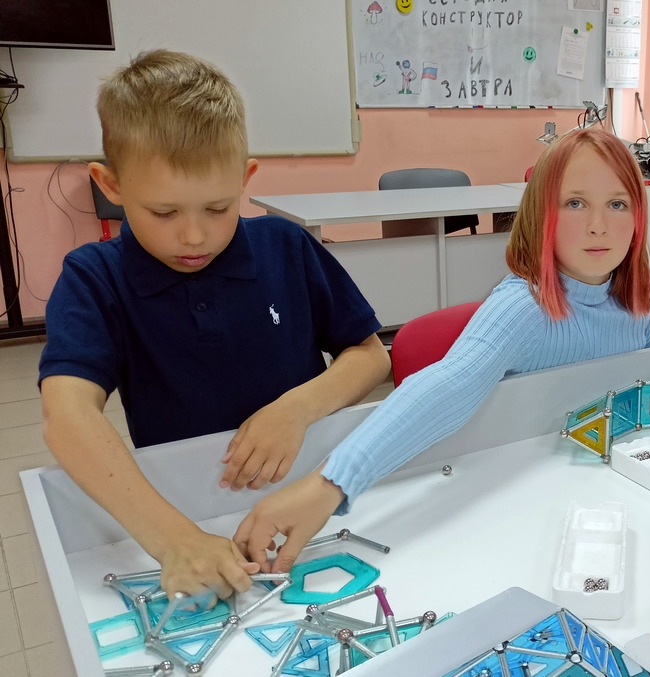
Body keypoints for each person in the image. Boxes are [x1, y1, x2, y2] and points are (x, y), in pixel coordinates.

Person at [234, 127, 650, 572]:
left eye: (618, 204)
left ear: (639, 218)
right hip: (517, 498)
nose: (598, 225)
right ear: (541, 215)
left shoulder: (628, 303)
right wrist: (331, 484)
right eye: (575, 203)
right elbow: (446, 387)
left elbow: (628, 366)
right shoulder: (523, 307)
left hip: (593, 489)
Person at [38, 50, 392, 598]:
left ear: (245, 177)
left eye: (218, 208)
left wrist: (296, 408)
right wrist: (174, 540)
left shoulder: (285, 246)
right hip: (187, 508)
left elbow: (370, 356)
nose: (194, 236)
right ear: (111, 185)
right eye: (164, 212)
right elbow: (66, 416)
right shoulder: (94, 277)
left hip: (309, 488)